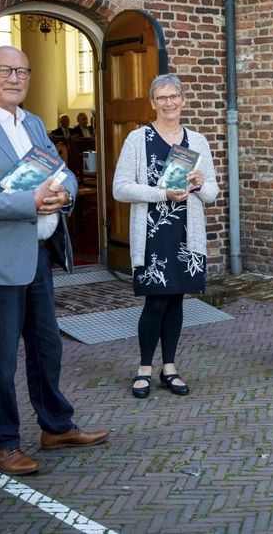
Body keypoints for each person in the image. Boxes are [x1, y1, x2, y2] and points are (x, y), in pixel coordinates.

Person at [0, 46, 108, 476]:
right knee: (0, 358)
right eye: (6, 70)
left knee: (47, 347)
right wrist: (30, 200)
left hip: (39, 255)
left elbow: (62, 170)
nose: (16, 78)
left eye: (23, 71)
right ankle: (3, 443)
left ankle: (56, 426)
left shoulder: (33, 122)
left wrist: (65, 192)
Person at [113, 74, 218, 399]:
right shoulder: (137, 139)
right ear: (153, 102)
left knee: (175, 301)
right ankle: (144, 368)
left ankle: (169, 367)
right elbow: (120, 188)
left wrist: (199, 184)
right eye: (162, 97)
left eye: (174, 96)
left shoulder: (197, 141)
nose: (169, 102)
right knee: (155, 302)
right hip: (153, 233)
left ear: (183, 100)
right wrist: (161, 193)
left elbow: (212, 193)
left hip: (187, 235)